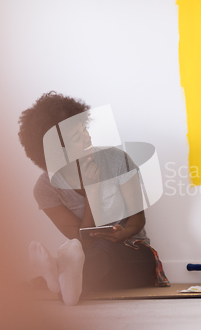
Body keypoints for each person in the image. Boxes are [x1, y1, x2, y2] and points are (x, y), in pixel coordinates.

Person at [18, 92, 169, 305]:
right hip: (92, 258)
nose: (88, 137)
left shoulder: (117, 160)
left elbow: (137, 221)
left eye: (84, 129)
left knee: (103, 251)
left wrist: (123, 232)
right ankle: (66, 285)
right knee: (93, 253)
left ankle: (58, 281)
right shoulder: (45, 188)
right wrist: (92, 190)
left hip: (132, 255)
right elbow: (82, 241)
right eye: (77, 137)